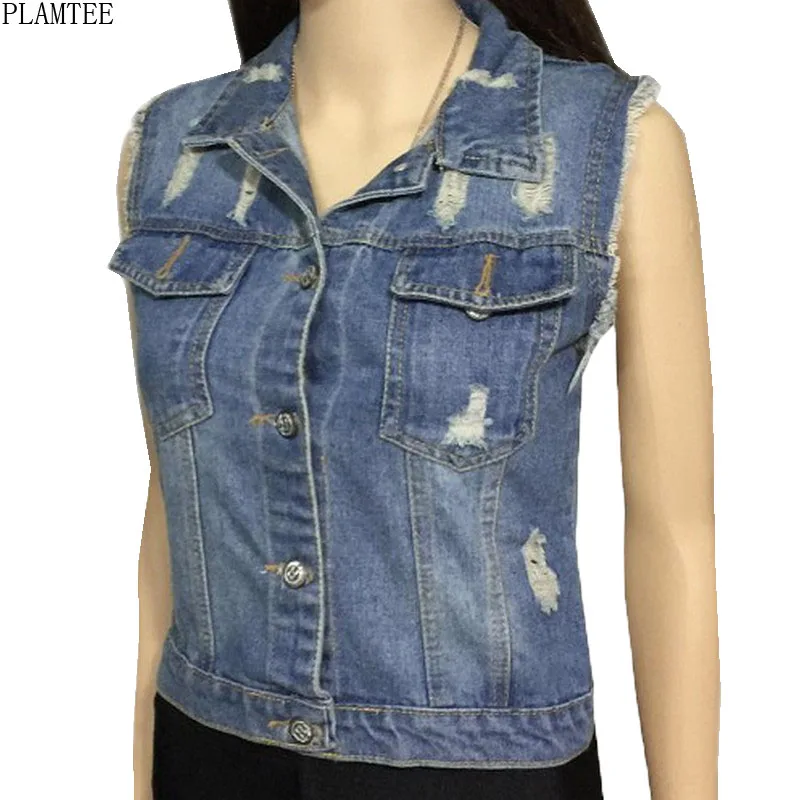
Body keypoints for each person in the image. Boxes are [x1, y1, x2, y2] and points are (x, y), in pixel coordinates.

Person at [111, 1, 718, 798]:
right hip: (210, 750)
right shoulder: (175, 149)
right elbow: (176, 492)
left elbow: (675, 533)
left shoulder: (604, 144)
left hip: (485, 772)